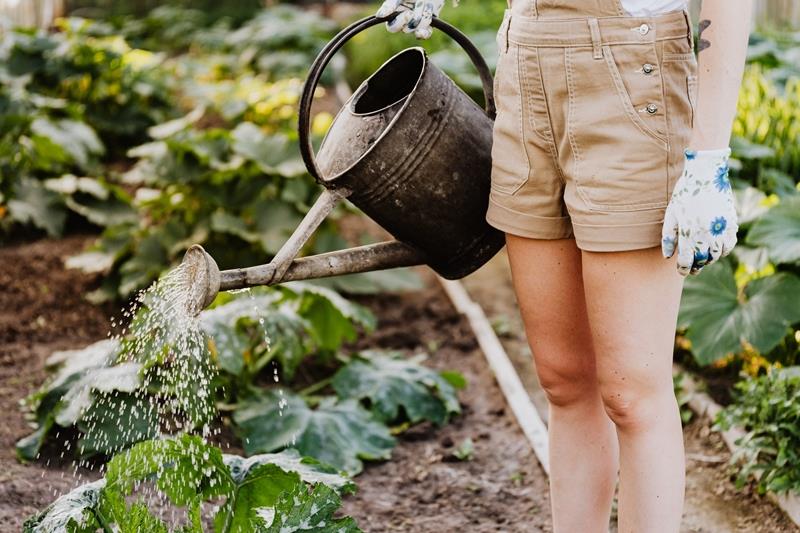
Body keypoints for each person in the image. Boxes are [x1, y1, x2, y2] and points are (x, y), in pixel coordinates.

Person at [376, 0, 752, 531]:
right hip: (525, 63)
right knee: (563, 380)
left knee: (631, 392)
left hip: (630, 73)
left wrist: (709, 157)